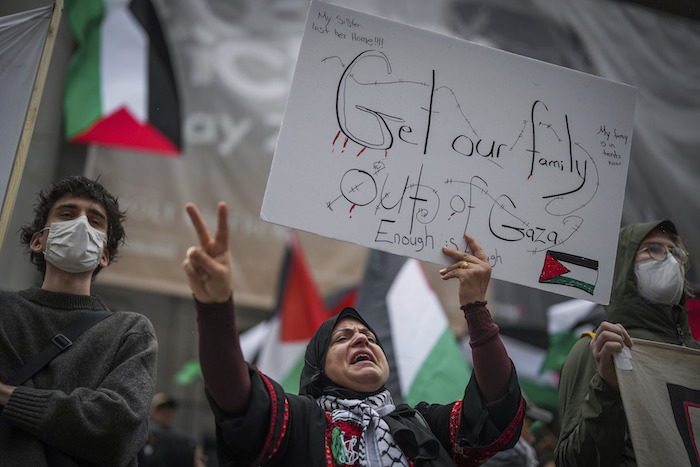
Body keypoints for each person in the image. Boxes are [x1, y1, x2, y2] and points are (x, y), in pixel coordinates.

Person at [182, 201, 525, 466]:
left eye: (370, 338)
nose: (362, 339)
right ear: (318, 367)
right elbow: (233, 394)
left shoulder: (424, 424)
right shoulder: (299, 422)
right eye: (343, 338)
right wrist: (214, 308)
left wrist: (476, 308)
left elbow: (494, 409)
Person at [0, 176, 158, 465]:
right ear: (39, 240)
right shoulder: (3, 310)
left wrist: (9, 397)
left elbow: (120, 430)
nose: (81, 223)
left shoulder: (130, 331)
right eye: (67, 214)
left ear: (103, 256)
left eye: (95, 220)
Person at [555, 220, 699, 466]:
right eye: (653, 249)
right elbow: (572, 461)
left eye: (675, 252)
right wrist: (607, 388)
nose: (670, 260)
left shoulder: (694, 353)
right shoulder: (598, 349)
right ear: (623, 265)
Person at [139, 392, 208, 467]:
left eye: (169, 409)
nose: (167, 413)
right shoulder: (142, 437)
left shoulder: (184, 440)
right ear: (152, 411)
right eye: (162, 409)